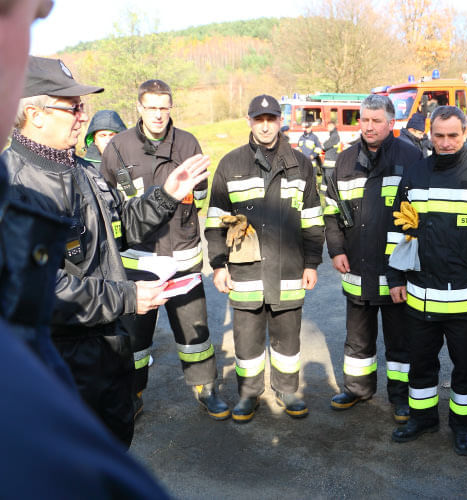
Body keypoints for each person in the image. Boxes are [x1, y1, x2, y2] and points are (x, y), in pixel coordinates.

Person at [3, 56, 210, 447]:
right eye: (73, 106)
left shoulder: (81, 171)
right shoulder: (15, 188)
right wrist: (128, 296)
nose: (84, 116)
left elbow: (121, 228)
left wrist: (166, 195)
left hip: (106, 356)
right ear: (34, 114)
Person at [100, 79, 226, 421]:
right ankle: (133, 394)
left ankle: (206, 389)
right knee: (134, 339)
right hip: (138, 262)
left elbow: (199, 198)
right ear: (139, 108)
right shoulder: (119, 147)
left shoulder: (187, 142)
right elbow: (108, 205)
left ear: (171, 108)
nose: (157, 114)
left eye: (163, 107)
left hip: (183, 258)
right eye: (151, 107)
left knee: (195, 332)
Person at [388, 105, 467, 456]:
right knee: (421, 364)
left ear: (466, 132)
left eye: (452, 135)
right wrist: (396, 277)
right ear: (429, 134)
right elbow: (399, 230)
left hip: (466, 299)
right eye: (439, 136)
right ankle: (423, 417)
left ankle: (462, 427)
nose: (445, 142)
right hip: (420, 295)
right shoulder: (415, 173)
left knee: (465, 368)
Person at [205, 94, 324, 422]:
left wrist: (312, 263)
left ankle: (287, 389)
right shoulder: (230, 164)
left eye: (271, 119)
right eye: (259, 119)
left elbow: (313, 218)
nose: (266, 126)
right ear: (250, 122)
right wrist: (217, 265)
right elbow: (215, 220)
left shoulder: (300, 164)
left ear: (280, 121)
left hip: (288, 269)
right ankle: (248, 394)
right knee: (247, 338)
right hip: (245, 273)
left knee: (288, 335)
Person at [323, 94, 421, 421]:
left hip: (396, 272)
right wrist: (336, 250)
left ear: (391, 123)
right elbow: (332, 211)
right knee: (358, 341)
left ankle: (401, 397)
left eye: (376, 120)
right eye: (364, 120)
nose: (369, 126)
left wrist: (404, 269)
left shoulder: (410, 156)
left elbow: (416, 218)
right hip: (357, 268)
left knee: (400, 344)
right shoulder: (345, 159)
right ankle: (357, 388)